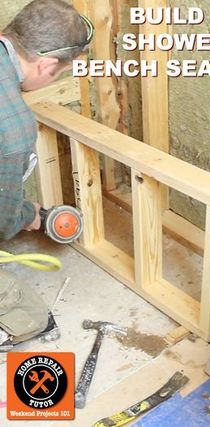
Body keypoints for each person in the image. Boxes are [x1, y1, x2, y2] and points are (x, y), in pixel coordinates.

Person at [0, 0, 93, 347]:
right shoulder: (13, 128)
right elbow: (2, 222)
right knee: (32, 317)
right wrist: (28, 216)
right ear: (47, 64)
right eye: (61, 72)